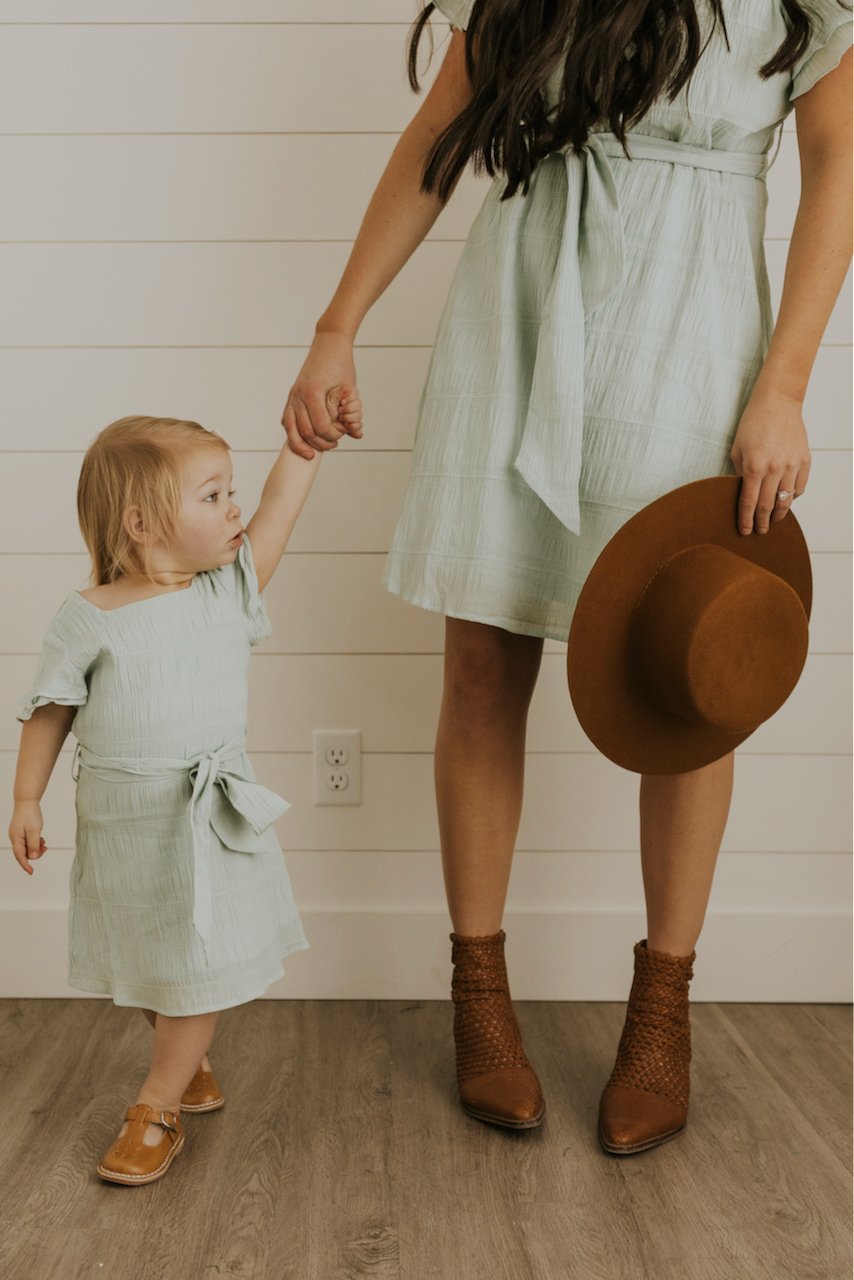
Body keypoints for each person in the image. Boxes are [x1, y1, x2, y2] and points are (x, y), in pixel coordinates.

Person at [281, 0, 852, 1152]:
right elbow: (435, 144)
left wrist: (784, 383)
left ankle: (662, 1011)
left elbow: (838, 159)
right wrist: (336, 323)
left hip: (693, 340)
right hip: (519, 315)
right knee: (483, 666)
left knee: (687, 680)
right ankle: (478, 997)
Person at [8, 398, 362, 1185]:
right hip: (122, 822)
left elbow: (275, 509)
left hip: (205, 819)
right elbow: (51, 707)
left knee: (194, 954)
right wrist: (27, 797)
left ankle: (158, 1101)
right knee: (145, 955)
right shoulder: (89, 618)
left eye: (228, 490)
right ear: (140, 523)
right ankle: (186, 1055)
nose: (232, 506)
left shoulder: (227, 590)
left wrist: (304, 450)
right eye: (211, 495)